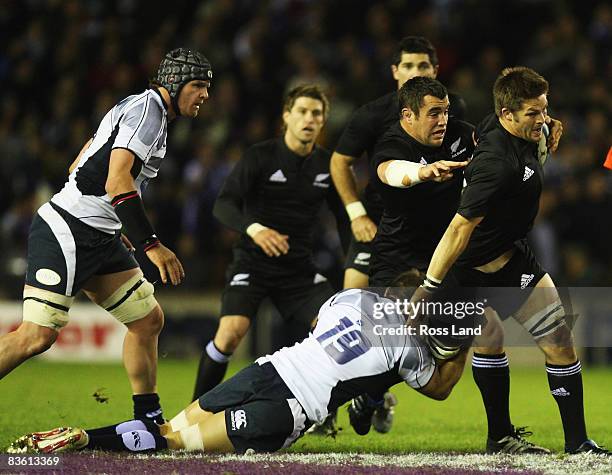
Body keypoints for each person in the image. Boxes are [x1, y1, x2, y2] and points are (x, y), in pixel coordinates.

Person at [10, 277, 476, 455]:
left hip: (268, 369)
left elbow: (319, 322)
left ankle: (87, 436)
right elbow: (439, 387)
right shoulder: (409, 344)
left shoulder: (352, 299)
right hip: (291, 408)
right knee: (176, 444)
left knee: (171, 431)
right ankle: (85, 439)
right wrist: (469, 343)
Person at [0, 48, 212, 425]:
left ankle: (148, 420)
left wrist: (114, 223)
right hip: (67, 229)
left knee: (147, 320)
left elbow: (79, 163)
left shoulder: (139, 108)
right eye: (198, 85)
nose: (205, 95)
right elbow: (117, 180)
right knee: (36, 336)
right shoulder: (149, 113)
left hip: (99, 234)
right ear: (174, 84)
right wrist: (152, 244)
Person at [412, 66, 609, 455]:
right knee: (442, 381)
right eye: (533, 113)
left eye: (544, 110)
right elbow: (458, 230)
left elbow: (534, 118)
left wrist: (546, 125)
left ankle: (577, 443)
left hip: (514, 262)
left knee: (560, 342)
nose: (543, 120)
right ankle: (371, 393)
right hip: (469, 272)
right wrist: (429, 286)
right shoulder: (495, 165)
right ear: (507, 115)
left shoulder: (515, 126)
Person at [328, 35, 465, 435]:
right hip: (379, 222)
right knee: (354, 311)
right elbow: (343, 163)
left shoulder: (450, 115)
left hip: (433, 231)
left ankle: (371, 392)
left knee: (420, 328)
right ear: (394, 72)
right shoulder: (374, 116)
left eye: (423, 67)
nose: (415, 74)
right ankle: (333, 406)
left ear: (435, 72)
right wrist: (356, 213)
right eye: (408, 67)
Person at [191, 85, 349, 403]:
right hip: (253, 262)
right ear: (287, 117)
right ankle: (196, 410)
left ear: (323, 122)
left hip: (299, 269)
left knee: (337, 335)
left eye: (316, 114)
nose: (309, 119)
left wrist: (353, 265)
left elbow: (345, 220)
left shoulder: (328, 165)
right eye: (302, 112)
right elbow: (224, 204)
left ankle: (326, 411)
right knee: (231, 332)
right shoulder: (260, 156)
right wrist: (255, 229)